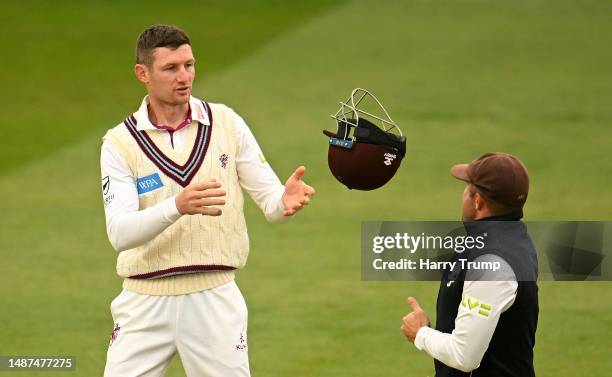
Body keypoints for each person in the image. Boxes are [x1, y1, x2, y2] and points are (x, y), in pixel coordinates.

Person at [100, 24, 315, 377]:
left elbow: (272, 206)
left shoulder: (227, 123)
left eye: (189, 65)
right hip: (143, 301)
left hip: (214, 298)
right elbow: (120, 233)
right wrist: (176, 206)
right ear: (143, 73)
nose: (183, 77)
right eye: (171, 68)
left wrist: (284, 202)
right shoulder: (119, 143)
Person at [401, 152, 539, 377]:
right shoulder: (514, 237)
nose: (463, 193)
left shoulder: (491, 266)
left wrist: (420, 333)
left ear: (478, 201)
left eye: (467, 187)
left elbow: (463, 356)